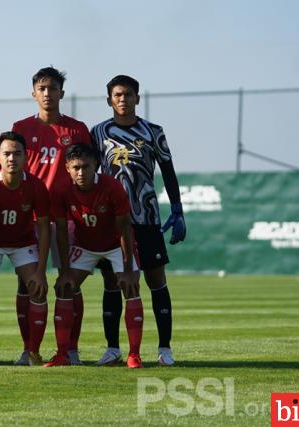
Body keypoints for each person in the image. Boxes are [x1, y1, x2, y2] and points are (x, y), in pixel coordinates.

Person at [91, 75, 186, 366]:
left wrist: (178, 208)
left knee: (156, 281)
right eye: (117, 95)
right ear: (109, 100)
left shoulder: (153, 131)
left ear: (137, 98)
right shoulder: (98, 133)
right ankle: (112, 348)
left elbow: (168, 171)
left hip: (146, 218)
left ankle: (165, 348)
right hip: (112, 223)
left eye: (128, 94)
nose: (123, 99)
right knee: (112, 282)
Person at [10, 66, 91, 365]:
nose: (47, 93)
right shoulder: (21, 127)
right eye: (42, 88)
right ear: (34, 93)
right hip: (31, 217)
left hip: (68, 218)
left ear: (61, 93)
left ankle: (70, 348)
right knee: (27, 283)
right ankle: (29, 349)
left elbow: (87, 170)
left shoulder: (77, 129)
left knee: (69, 283)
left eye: (52, 88)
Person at [46, 144, 143, 368]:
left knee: (130, 287)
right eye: (76, 168)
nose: (81, 173)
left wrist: (128, 271)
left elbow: (125, 229)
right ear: (67, 168)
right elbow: (61, 231)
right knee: (64, 287)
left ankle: (134, 354)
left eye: (86, 167)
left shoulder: (112, 187)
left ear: (96, 165)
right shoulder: (61, 190)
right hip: (86, 246)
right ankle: (63, 354)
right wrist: (66, 270)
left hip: (115, 244)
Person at [0, 131, 50, 366]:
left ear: (26, 157)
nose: (11, 158)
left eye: (17, 154)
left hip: (23, 243)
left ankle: (32, 352)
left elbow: (44, 229)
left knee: (37, 289)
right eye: (6, 154)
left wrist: (41, 271)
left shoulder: (36, 186)